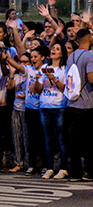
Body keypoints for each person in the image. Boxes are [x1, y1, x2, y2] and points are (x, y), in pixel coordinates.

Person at [7, 46, 49, 176]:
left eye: (36, 57)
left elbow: (40, 89)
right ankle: (31, 165)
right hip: (29, 108)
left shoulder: (45, 69)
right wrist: (8, 59)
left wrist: (37, 81)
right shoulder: (29, 69)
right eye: (32, 57)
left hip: (41, 108)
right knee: (30, 138)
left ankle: (43, 164)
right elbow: (19, 67)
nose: (33, 59)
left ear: (42, 57)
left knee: (42, 138)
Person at [67, 29, 93, 182]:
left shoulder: (71, 56)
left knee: (74, 140)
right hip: (88, 103)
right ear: (89, 39)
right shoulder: (90, 56)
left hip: (72, 102)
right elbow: (91, 78)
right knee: (90, 139)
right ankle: (88, 171)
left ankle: (74, 172)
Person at [35, 43, 68, 180]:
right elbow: (39, 90)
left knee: (61, 139)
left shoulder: (64, 69)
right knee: (48, 139)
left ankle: (63, 168)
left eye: (57, 49)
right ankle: (49, 168)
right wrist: (37, 80)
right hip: (45, 107)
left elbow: (64, 88)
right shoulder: (44, 67)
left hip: (59, 106)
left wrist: (53, 78)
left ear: (62, 54)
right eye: (53, 48)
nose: (54, 50)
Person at [7, 53, 31, 173]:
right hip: (16, 107)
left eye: (26, 62)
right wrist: (12, 73)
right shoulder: (17, 76)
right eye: (21, 61)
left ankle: (27, 162)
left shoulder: (30, 74)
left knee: (26, 136)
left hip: (26, 108)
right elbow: (10, 87)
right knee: (16, 136)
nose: (22, 64)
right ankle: (18, 162)